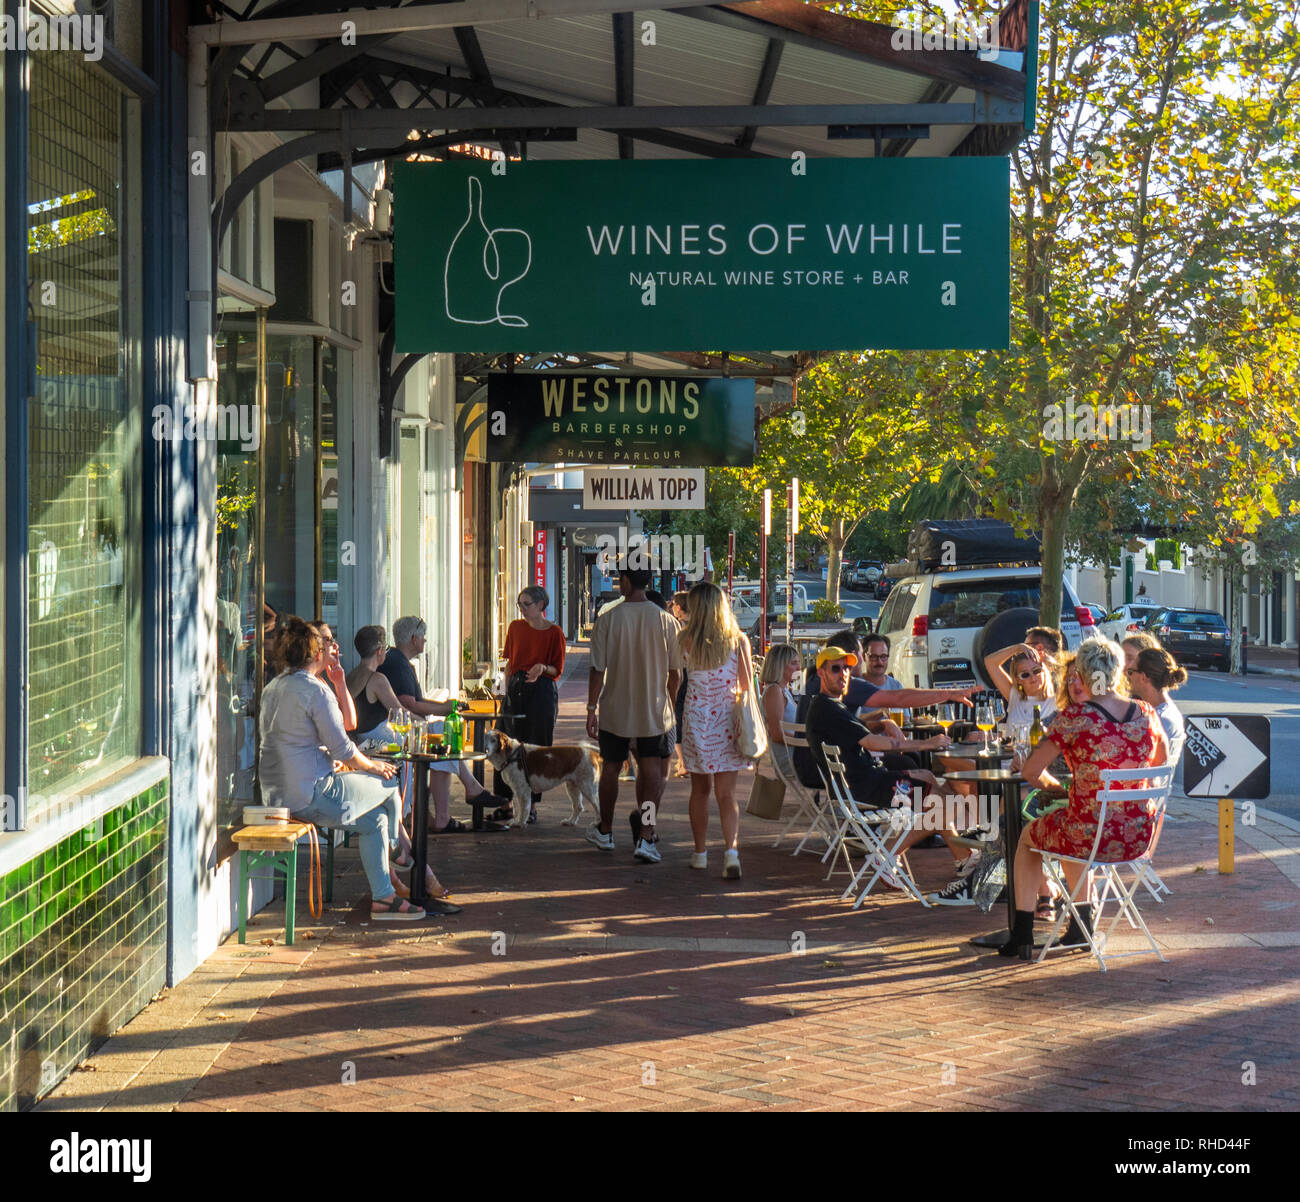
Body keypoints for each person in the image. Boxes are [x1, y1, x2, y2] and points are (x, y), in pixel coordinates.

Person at [997, 637, 1168, 959]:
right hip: (1138, 836)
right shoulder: (1145, 712)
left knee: (1029, 838)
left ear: (1085, 675)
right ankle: (1081, 927)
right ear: (1119, 671)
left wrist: (1059, 789)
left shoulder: (1076, 718)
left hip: (1091, 835)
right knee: (1069, 827)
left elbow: (1032, 772)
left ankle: (1022, 932)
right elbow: (1160, 762)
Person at [258, 617, 435, 920]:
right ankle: (396, 848)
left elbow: (301, 739)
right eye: (325, 643)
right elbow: (344, 749)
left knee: (374, 820)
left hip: (275, 797)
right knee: (389, 780)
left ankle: (384, 898)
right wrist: (375, 766)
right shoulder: (314, 690)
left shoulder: (274, 686)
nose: (332, 647)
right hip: (311, 793)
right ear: (315, 654)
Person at [805, 647, 978, 888]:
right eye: (836, 668)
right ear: (821, 672)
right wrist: (925, 743)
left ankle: (964, 857)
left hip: (860, 784)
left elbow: (856, 731)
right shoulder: (829, 708)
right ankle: (886, 854)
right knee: (944, 805)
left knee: (927, 776)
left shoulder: (829, 706)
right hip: (867, 788)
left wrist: (879, 723)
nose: (843, 673)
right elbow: (872, 743)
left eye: (846, 668)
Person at [585, 565, 684, 864]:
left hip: (615, 708)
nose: (618, 584)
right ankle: (646, 832)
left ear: (627, 581)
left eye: (620, 580)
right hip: (655, 709)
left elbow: (597, 670)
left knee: (611, 769)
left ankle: (605, 829)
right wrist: (670, 701)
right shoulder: (667, 621)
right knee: (652, 772)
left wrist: (591, 708)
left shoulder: (608, 619)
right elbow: (675, 674)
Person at [379, 615, 510, 833]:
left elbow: (417, 702)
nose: (425, 641)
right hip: (395, 731)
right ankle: (468, 792)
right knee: (442, 733)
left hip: (410, 728)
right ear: (413, 638)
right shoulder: (397, 663)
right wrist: (446, 708)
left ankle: (450, 809)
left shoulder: (401, 662)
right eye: (423, 637)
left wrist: (448, 707)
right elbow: (408, 704)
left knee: (443, 736)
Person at [678, 581, 752, 878]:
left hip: (696, 719)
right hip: (726, 720)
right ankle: (731, 852)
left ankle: (699, 853)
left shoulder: (684, 639)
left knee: (700, 790)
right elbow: (746, 686)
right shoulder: (738, 640)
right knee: (727, 793)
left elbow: (677, 677)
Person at [497, 586, 566, 824]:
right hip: (516, 687)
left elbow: (557, 669)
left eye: (527, 604)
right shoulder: (516, 628)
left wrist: (542, 668)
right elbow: (509, 663)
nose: (522, 609)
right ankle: (504, 803)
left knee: (536, 746)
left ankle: (531, 806)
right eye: (520, 604)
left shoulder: (554, 633)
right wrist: (505, 692)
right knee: (503, 742)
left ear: (540, 605)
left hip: (542, 690)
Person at [1126, 646, 1187, 764]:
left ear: (1144, 677)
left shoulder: (1157, 719)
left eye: (1131, 672)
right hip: (1161, 781)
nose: (1128, 677)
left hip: (1148, 781)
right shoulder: (1170, 712)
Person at [983, 639, 1059, 730]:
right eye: (1025, 675)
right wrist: (1017, 647)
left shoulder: (1058, 699)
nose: (1033, 677)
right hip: (1012, 744)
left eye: (1036, 671)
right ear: (1017, 679)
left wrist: (1053, 664)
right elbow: (990, 662)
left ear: (1044, 671)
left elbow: (1077, 677)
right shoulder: (1015, 696)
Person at [760, 643, 802, 778]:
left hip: (795, 753)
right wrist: (805, 741)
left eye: (798, 663)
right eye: (794, 663)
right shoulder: (774, 691)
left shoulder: (785, 690)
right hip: (788, 758)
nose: (799, 668)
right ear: (780, 666)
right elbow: (776, 734)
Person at [309, 619, 357, 732]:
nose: (335, 645)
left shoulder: (320, 680)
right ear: (314, 644)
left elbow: (350, 723)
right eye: (328, 639)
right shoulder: (311, 685)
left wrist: (340, 682)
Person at [670, 591, 692, 778]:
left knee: (677, 714)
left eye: (674, 604)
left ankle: (683, 760)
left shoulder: (678, 628)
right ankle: (686, 759)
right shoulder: (700, 625)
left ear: (680, 606)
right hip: (697, 676)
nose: (672, 607)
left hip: (681, 673)